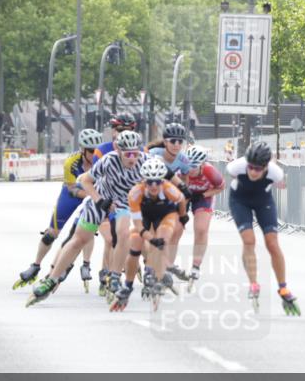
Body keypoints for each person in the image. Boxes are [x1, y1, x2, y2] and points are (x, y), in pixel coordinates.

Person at [27, 130, 147, 306]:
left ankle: (114, 276)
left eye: (135, 153)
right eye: (128, 154)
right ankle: (52, 279)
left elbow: (162, 178)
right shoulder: (109, 160)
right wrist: (99, 201)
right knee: (79, 240)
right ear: (118, 151)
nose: (132, 158)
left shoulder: (145, 162)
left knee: (123, 234)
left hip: (123, 203)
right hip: (101, 198)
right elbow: (85, 180)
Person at [14, 128, 101, 289]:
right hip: (73, 194)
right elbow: (72, 189)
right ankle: (35, 265)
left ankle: (85, 264)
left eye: (96, 150)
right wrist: (91, 195)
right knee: (51, 234)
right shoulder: (71, 162)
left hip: (92, 195)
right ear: (82, 149)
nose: (94, 154)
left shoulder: (101, 160)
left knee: (87, 229)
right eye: (90, 151)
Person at [226, 142, 300, 316]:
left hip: (263, 202)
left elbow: (280, 184)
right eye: (250, 167)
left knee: (272, 243)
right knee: (249, 240)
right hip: (239, 201)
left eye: (258, 169)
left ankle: (283, 288)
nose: (253, 172)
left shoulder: (276, 173)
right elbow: (232, 176)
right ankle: (253, 283)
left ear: (266, 166)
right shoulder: (236, 167)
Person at [110, 157, 188, 311]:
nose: (154, 186)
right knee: (135, 244)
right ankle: (127, 286)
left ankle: (158, 274)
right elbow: (139, 227)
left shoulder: (169, 189)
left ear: (162, 181)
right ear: (144, 181)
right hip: (144, 215)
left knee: (163, 239)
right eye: (150, 182)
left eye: (157, 182)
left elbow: (182, 200)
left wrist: (183, 216)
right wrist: (151, 239)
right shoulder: (135, 193)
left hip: (166, 214)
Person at [92, 112, 139, 293]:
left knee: (121, 237)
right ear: (112, 131)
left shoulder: (139, 150)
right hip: (105, 198)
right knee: (111, 238)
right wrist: (100, 201)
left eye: (128, 129)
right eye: (119, 129)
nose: (123, 133)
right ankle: (106, 272)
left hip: (125, 201)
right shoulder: (102, 150)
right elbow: (94, 180)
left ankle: (114, 271)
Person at [147, 122, 194, 281]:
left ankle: (167, 268)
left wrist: (184, 205)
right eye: (173, 141)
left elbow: (185, 181)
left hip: (171, 199)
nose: (177, 145)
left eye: (180, 141)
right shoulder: (153, 154)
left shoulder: (183, 160)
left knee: (176, 232)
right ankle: (151, 267)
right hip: (152, 198)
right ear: (165, 142)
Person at [182, 144, 225, 285]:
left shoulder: (210, 171)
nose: (191, 169)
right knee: (175, 228)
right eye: (189, 165)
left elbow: (221, 187)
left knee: (201, 229)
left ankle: (196, 265)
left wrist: (203, 195)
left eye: (195, 166)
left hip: (203, 196)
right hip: (184, 195)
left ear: (202, 164)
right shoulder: (181, 170)